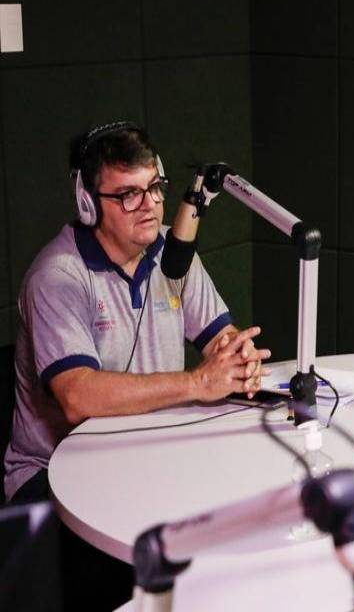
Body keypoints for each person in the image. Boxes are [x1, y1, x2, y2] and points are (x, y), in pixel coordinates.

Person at [4, 121, 271, 505]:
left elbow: (220, 338)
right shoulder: (57, 277)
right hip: (56, 474)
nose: (149, 205)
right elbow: (78, 397)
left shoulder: (173, 251)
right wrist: (197, 382)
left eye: (154, 187)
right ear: (88, 204)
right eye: (129, 194)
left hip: (147, 455)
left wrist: (236, 358)